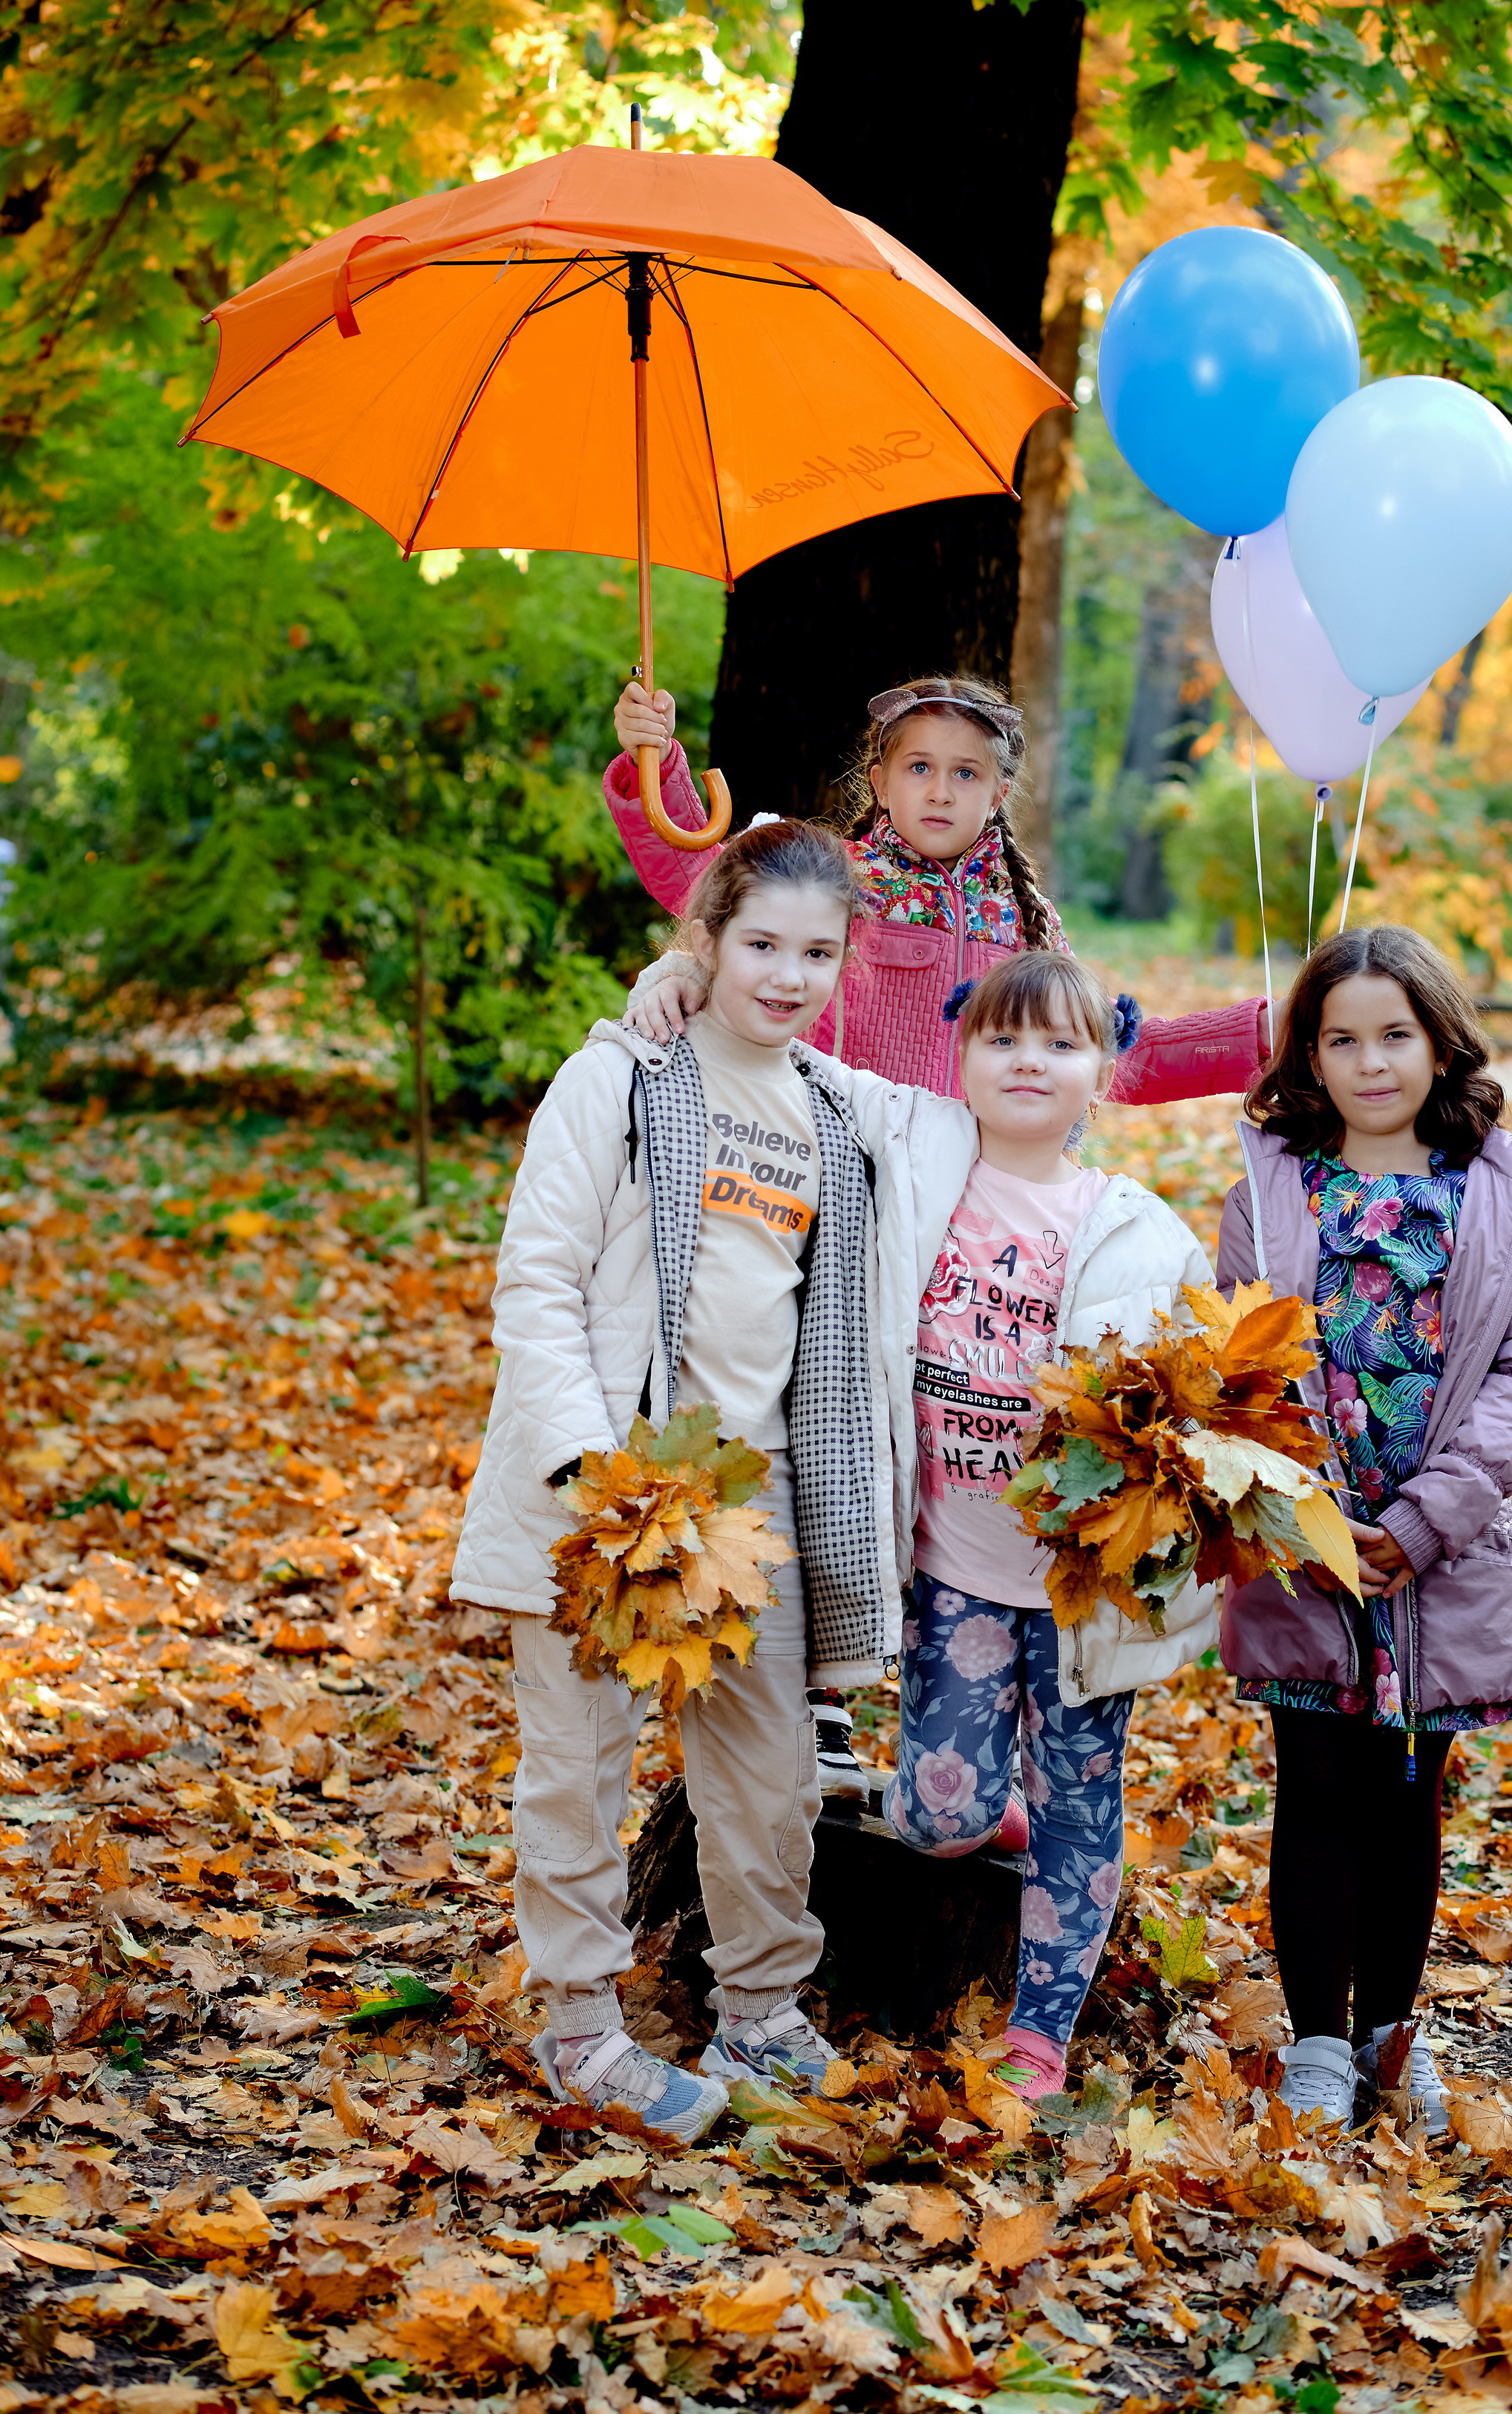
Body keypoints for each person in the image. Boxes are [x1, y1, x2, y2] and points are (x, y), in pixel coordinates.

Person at [609, 671, 1271, 1793]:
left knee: (934, 1462)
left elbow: (1116, 1049)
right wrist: (653, 766)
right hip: (832, 1198)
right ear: (878, 778)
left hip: (964, 1233)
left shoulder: (1022, 925)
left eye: (966, 773)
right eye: (918, 766)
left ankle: (966, 1714)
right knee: (821, 1443)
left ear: (999, 792)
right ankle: (813, 1700)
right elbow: (695, 878)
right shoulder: (834, 882)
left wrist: (1266, 1034)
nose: (939, 789)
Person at [448, 820, 906, 2140]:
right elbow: (537, 1280)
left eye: (817, 953)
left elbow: (993, 1109)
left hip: (749, 1506)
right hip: (603, 1489)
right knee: (579, 1771)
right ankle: (581, 2028)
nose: (788, 976)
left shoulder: (838, 1110)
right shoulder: (622, 1078)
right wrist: (591, 1468)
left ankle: (762, 2011)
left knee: (770, 1782)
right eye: (760, 944)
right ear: (705, 941)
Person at [1215, 924, 1512, 2133]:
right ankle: (1318, 2042)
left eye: (1395, 1036)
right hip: (1304, 1543)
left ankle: (1389, 2035)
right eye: (1342, 1040)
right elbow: (1235, 1361)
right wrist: (1303, 1512)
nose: (1371, 1063)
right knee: (1315, 1783)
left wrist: (1423, 1524)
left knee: (1406, 1792)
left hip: (1437, 1552)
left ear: (1439, 1044)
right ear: (1310, 1057)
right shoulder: (1272, 1196)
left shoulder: (1500, 1198)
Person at [874, 949, 1218, 2097]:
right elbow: (795, 1068)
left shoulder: (1139, 1230)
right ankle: (988, 1809)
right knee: (940, 1818)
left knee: (1079, 1799)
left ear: (1103, 1071)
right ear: (960, 1054)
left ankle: (1041, 2029)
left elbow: (1194, 1398)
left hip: (1081, 1588)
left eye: (1061, 1043)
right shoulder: (915, 1181)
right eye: (1003, 1037)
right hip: (954, 1567)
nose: (1029, 1061)